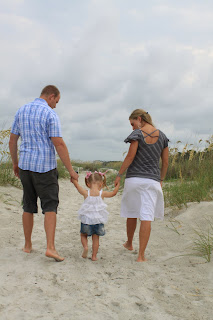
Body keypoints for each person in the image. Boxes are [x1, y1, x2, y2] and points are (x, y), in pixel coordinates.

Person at [9, 85, 78, 262]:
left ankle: (27, 245)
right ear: (51, 96)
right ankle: (50, 248)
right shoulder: (49, 114)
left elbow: (13, 140)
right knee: (50, 206)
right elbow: (59, 144)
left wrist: (15, 163)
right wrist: (71, 171)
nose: (56, 105)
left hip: (25, 165)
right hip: (44, 168)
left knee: (28, 205)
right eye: (57, 101)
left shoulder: (21, 110)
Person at [114, 109, 169, 262]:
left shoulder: (137, 135)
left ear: (139, 119)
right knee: (146, 216)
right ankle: (141, 255)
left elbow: (130, 156)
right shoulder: (163, 136)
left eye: (133, 124)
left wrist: (119, 174)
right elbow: (165, 162)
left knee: (132, 212)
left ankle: (129, 243)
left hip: (134, 180)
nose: (132, 128)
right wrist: (161, 179)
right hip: (152, 180)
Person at [72, 171, 120, 261]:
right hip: (98, 220)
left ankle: (85, 247)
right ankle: (94, 256)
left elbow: (77, 186)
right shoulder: (102, 193)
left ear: (88, 183)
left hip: (86, 220)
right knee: (96, 238)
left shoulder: (86, 193)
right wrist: (118, 185)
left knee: (83, 235)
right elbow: (113, 193)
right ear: (101, 183)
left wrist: (74, 180)